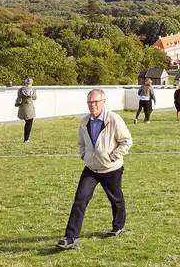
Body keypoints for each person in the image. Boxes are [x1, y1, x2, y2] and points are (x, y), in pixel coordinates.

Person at [56, 89, 133, 250]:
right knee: (80, 200)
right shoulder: (85, 121)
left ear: (103, 102)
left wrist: (112, 157)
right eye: (90, 102)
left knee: (116, 199)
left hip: (111, 168)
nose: (93, 105)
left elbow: (126, 141)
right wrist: (84, 155)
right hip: (91, 169)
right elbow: (81, 143)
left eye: (96, 102)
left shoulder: (113, 119)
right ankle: (71, 238)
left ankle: (118, 227)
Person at [15, 77, 38, 143]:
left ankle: (26, 139)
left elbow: (19, 99)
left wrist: (17, 103)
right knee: (29, 123)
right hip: (30, 107)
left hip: (23, 107)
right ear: (31, 83)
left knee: (27, 122)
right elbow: (34, 98)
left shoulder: (20, 89)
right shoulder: (33, 90)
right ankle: (26, 139)